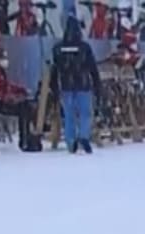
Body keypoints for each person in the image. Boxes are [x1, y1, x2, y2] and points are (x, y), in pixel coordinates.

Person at [51, 15, 99, 153]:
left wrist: (54, 88)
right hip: (83, 84)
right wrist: (97, 84)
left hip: (66, 85)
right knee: (85, 113)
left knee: (69, 115)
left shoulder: (58, 48)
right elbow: (92, 67)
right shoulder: (85, 47)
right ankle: (83, 136)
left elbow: (55, 69)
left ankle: (70, 141)